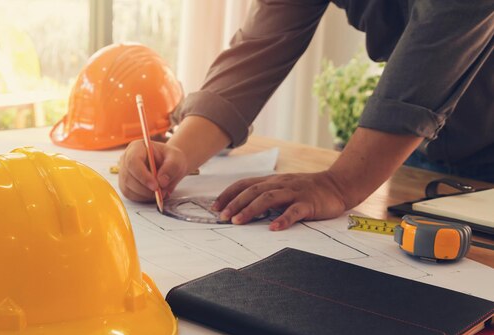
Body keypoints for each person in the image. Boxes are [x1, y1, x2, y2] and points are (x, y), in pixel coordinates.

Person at [119, 0, 494, 231]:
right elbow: (261, 45)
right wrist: (179, 154)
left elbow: (439, 36)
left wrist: (339, 184)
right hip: (420, 143)